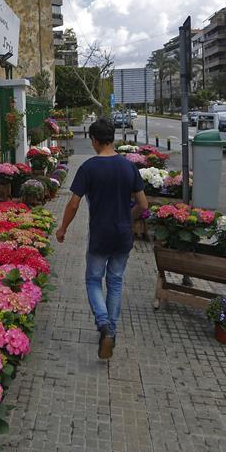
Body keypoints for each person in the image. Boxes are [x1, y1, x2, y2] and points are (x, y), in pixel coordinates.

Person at [55, 116, 147, 359]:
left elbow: (73, 204)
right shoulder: (129, 167)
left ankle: (104, 324)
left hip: (100, 235)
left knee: (94, 280)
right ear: (112, 138)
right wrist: (128, 218)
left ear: (94, 140)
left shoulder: (88, 168)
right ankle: (111, 332)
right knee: (115, 282)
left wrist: (63, 228)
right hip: (123, 236)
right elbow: (143, 204)